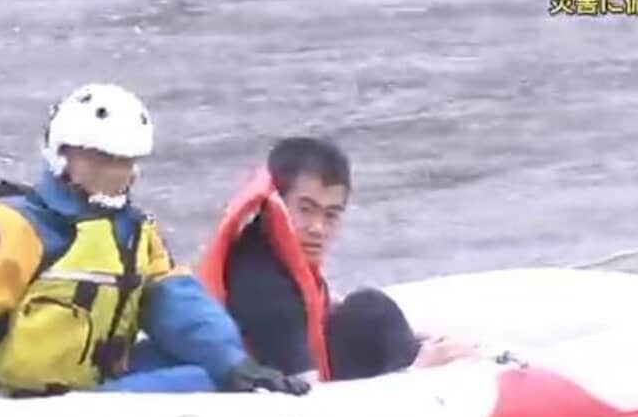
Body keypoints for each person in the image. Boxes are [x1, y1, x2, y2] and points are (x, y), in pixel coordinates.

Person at [0, 84, 309, 417]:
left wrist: (237, 365)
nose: (114, 174)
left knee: (209, 363)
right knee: (201, 379)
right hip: (23, 405)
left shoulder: (137, 233)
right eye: (99, 160)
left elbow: (183, 309)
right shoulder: (17, 226)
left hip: (97, 388)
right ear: (62, 157)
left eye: (123, 162)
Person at [198, 136, 476, 382]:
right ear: (276, 204)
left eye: (331, 215)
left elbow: (319, 308)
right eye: (306, 210)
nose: (318, 228)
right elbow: (310, 401)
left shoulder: (263, 246)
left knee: (370, 314)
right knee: (372, 311)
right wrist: (420, 372)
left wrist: (424, 339)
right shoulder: (265, 288)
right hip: (278, 408)